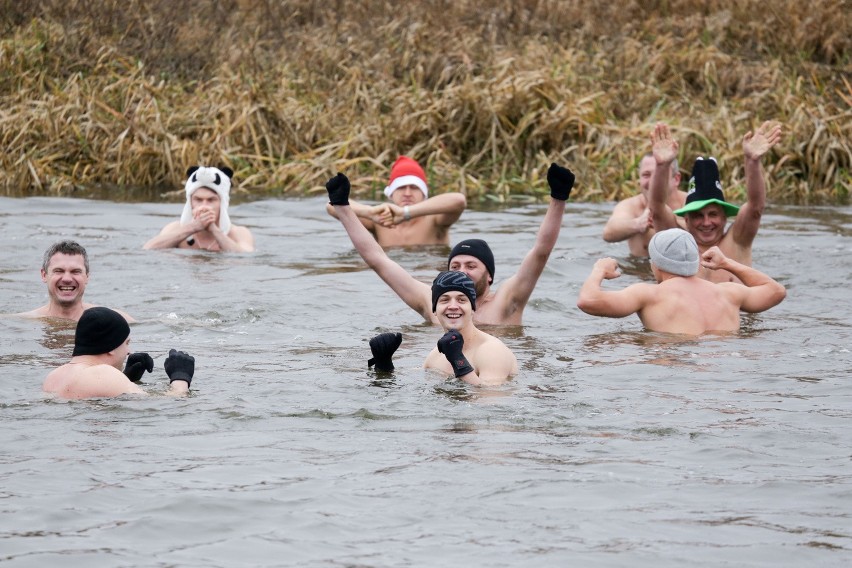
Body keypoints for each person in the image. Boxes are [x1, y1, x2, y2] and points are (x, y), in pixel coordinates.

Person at [325, 162, 575, 326]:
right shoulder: (432, 302)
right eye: (454, 266)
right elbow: (378, 261)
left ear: (489, 277)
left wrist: (558, 200)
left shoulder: (507, 302)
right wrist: (343, 207)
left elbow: (541, 252)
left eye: (470, 265)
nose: (461, 271)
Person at [576, 228, 786, 335]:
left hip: (677, 376)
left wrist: (599, 270)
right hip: (726, 367)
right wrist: (728, 263)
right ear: (696, 263)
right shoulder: (729, 293)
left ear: (655, 265)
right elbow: (775, 291)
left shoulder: (648, 295)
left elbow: (588, 301)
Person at [647, 121, 782, 282]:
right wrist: (662, 165)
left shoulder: (738, 240)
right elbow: (657, 208)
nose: (706, 222)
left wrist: (752, 161)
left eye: (713, 214)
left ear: (725, 217)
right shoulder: (675, 244)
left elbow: (755, 208)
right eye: (698, 215)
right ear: (687, 220)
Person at [367, 271, 517, 386]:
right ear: (435, 309)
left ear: (472, 308)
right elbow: (414, 384)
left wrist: (458, 361)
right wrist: (384, 365)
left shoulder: (491, 350)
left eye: (461, 300)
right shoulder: (436, 355)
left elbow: (490, 401)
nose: (452, 306)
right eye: (444, 300)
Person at [42, 306, 196, 399]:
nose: (128, 351)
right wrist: (180, 378)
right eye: (126, 343)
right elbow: (164, 405)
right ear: (111, 347)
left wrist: (127, 379)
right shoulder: (104, 374)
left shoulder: (54, 376)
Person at [325, 156, 466, 247]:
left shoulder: (435, 220)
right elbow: (332, 206)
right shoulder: (380, 220)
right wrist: (369, 212)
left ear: (424, 194)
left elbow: (459, 200)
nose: (407, 193)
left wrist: (405, 213)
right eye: (401, 188)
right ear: (391, 194)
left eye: (414, 188)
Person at [16, 240, 133, 322]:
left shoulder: (115, 320)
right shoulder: (25, 322)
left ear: (87, 276)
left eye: (75, 271)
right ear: (44, 275)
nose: (67, 279)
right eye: (59, 271)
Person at [144, 166, 255, 252]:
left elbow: (246, 261)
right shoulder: (175, 228)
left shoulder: (238, 233)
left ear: (222, 203)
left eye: (211, 200)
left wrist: (215, 230)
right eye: (198, 199)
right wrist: (192, 228)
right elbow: (148, 250)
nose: (204, 206)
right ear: (190, 202)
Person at [602, 153, 687, 256]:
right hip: (641, 269)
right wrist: (638, 224)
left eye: (658, 175)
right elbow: (608, 232)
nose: (652, 182)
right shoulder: (632, 206)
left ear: (676, 179)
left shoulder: (689, 203)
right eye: (646, 175)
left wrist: (668, 220)